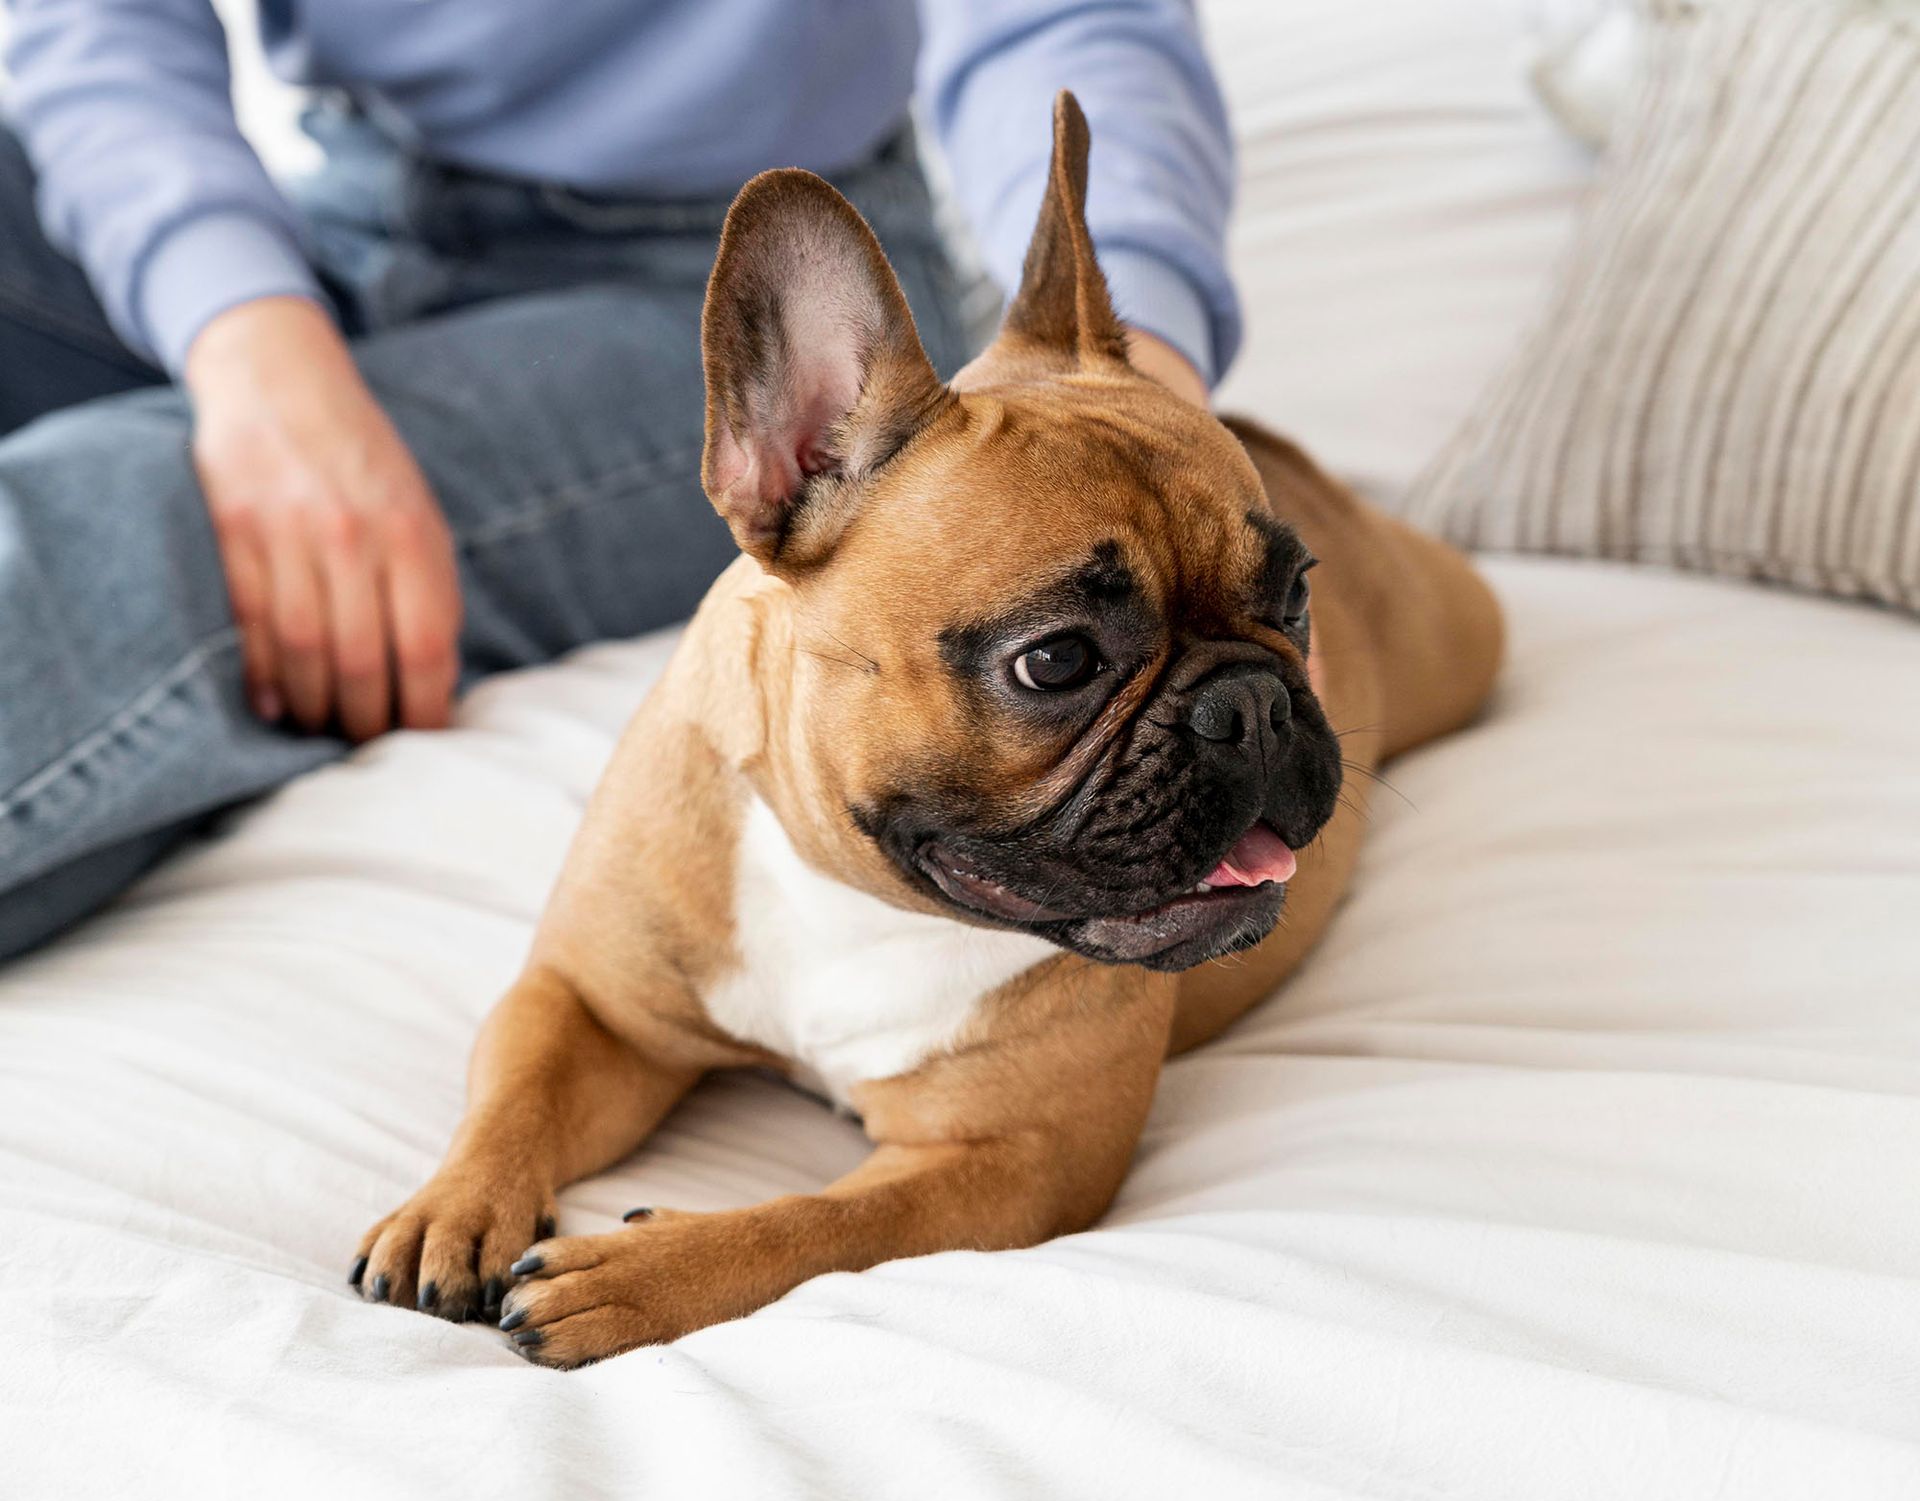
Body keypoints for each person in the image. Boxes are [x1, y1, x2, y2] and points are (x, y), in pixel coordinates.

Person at [0, 0, 1239, 960]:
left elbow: (1070, 22)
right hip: (337, 199)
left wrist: (1140, 392)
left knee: (125, 520)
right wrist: (250, 342)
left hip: (742, 278)